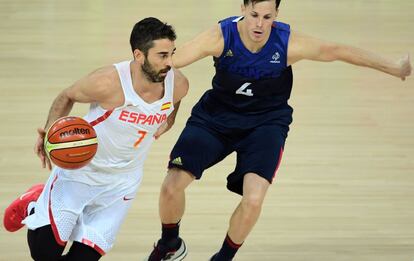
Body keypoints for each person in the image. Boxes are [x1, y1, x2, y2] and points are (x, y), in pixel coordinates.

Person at [145, 0, 412, 260]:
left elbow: (338, 51)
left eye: (267, 17)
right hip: (216, 118)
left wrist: (394, 67)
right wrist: (168, 114)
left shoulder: (286, 42)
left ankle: (224, 258)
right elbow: (168, 67)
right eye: (254, 15)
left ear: (276, 15)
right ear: (242, 10)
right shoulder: (220, 35)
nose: (260, 24)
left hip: (265, 124)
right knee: (171, 186)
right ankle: (170, 243)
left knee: (253, 200)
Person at [3, 17, 189, 261]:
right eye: (162, 55)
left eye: (172, 54)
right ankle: (35, 203)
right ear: (139, 55)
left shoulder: (179, 84)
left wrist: (169, 120)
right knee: (44, 255)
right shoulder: (107, 82)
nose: (169, 63)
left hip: (122, 183)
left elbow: (173, 104)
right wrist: (49, 130)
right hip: (81, 171)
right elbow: (67, 95)